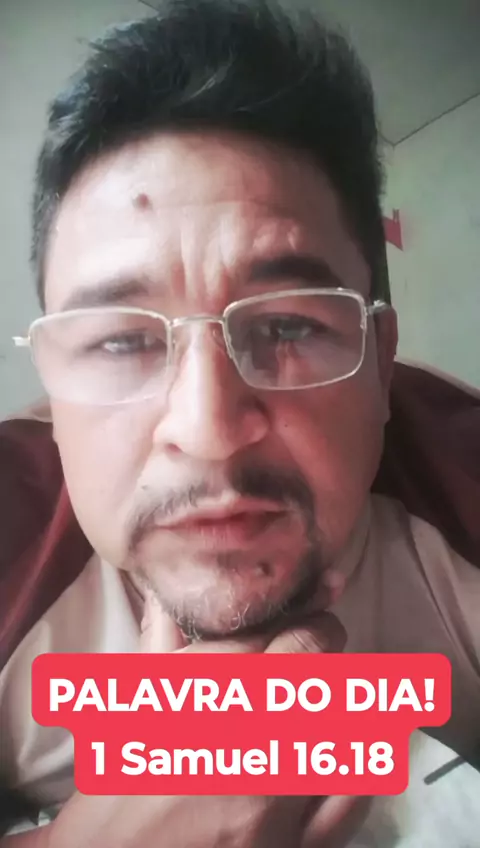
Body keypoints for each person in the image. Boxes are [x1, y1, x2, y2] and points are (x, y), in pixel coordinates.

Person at [1, 1, 479, 845]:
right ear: (53, 388)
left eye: (288, 325)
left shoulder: (462, 481)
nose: (209, 428)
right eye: (121, 341)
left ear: (380, 363)